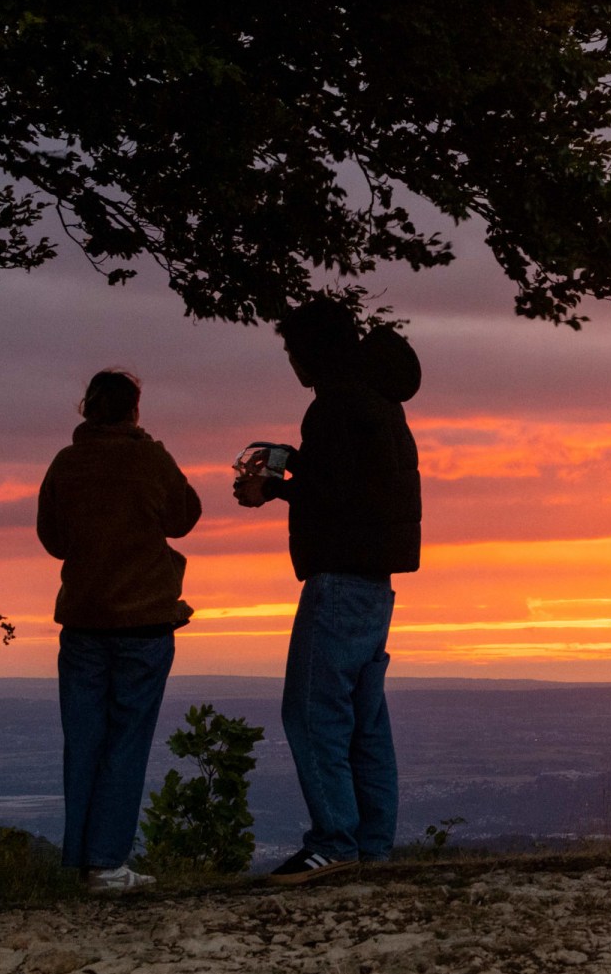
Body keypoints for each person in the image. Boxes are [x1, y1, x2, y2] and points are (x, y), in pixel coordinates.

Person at [233, 299, 422, 884]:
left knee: (312, 713)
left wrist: (274, 490)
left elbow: (338, 493)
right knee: (364, 721)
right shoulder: (377, 402)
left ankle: (334, 843)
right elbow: (356, 479)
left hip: (338, 580)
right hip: (375, 583)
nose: (292, 363)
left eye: (294, 350)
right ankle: (371, 847)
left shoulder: (335, 405)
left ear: (315, 348)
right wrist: (290, 464)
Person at [36, 368, 202, 894]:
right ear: (135, 409)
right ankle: (106, 864)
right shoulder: (149, 458)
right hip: (145, 621)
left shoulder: (66, 463)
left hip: (83, 619)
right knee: (127, 742)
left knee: (83, 740)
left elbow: (54, 539)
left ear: (86, 407)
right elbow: (184, 517)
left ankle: (85, 860)